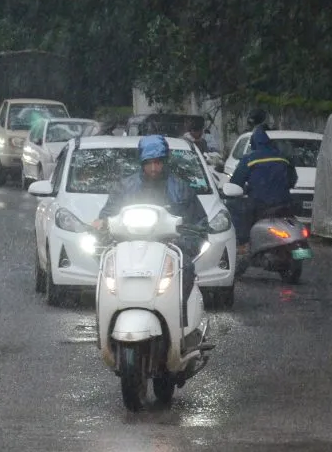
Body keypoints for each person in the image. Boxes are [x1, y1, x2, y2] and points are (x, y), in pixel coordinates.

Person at [92, 135, 209, 325]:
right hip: (128, 248)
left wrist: (186, 238)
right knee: (107, 271)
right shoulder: (124, 187)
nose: (154, 168)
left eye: (158, 163)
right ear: (141, 162)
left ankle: (182, 320)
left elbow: (199, 224)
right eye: (149, 163)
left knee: (186, 268)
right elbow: (108, 213)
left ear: (165, 162)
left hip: (169, 248)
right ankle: (106, 320)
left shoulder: (181, 189)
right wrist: (102, 223)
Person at [227, 126, 298, 256]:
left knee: (233, 207)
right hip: (284, 202)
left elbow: (236, 182)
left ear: (253, 143)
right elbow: (292, 180)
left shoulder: (250, 159)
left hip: (260, 204)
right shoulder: (283, 157)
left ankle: (243, 244)